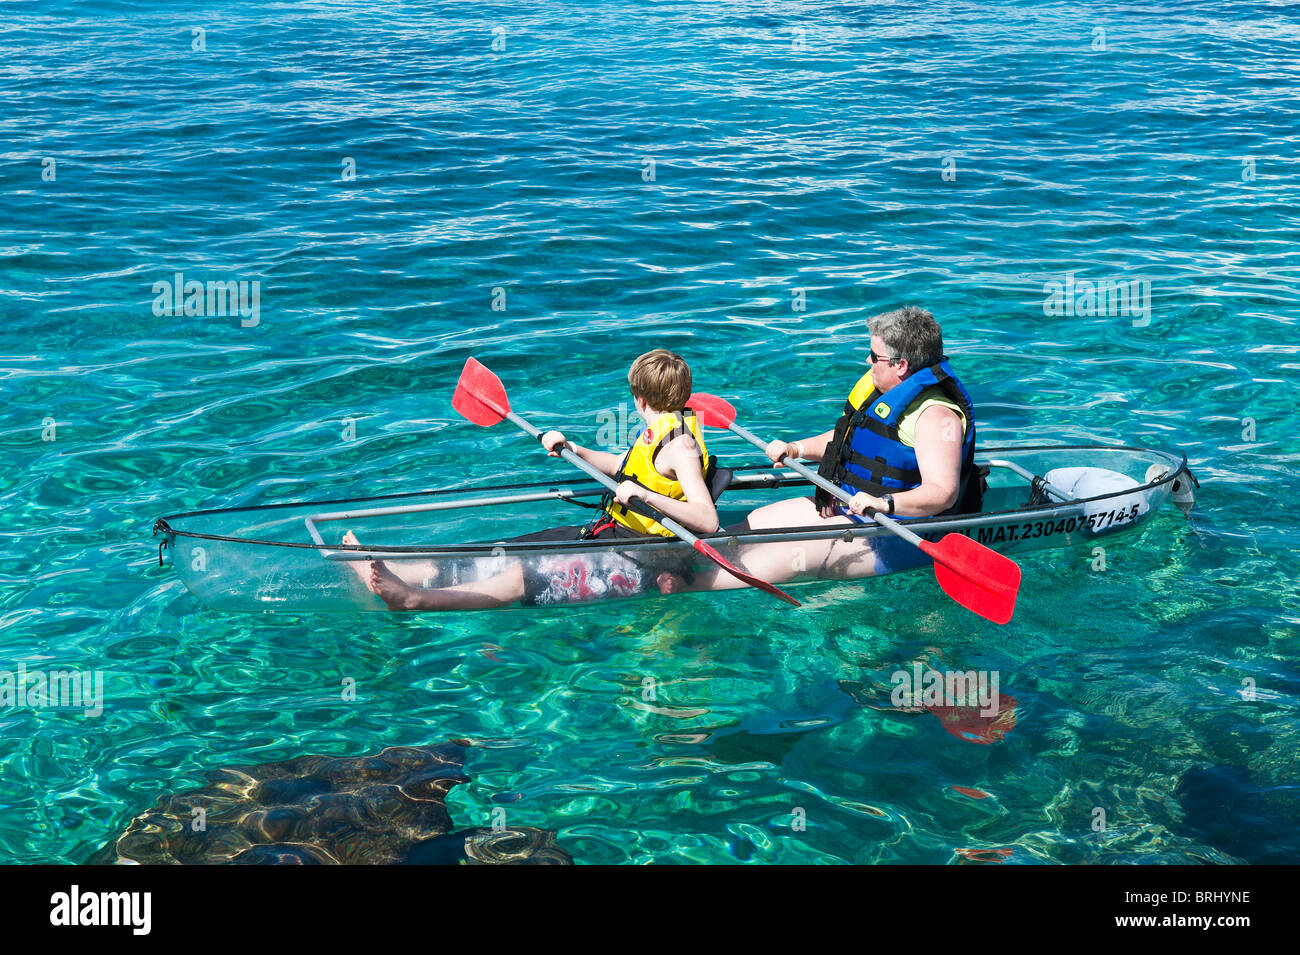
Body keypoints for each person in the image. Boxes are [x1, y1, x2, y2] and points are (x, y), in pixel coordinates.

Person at [343, 349, 720, 609]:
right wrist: (573, 447)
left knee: (523, 574)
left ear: (639, 398)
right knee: (504, 549)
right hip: (609, 533)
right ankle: (393, 571)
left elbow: (707, 519)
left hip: (644, 557)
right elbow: (623, 465)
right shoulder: (657, 430)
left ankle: (412, 599)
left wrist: (644, 496)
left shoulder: (680, 446)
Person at [661, 306, 984, 593]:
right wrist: (795, 448)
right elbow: (850, 439)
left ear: (901, 365)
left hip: (898, 534)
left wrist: (882, 503)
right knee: (755, 523)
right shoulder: (882, 391)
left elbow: (943, 493)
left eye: (874, 356)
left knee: (779, 555)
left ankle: (676, 587)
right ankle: (668, 560)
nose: (866, 361)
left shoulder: (935, 416)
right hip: (851, 508)